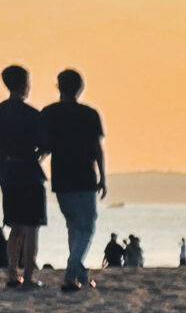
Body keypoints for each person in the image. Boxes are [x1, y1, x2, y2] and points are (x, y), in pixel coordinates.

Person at [40, 69, 107, 292]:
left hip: (61, 177)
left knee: (73, 226)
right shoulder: (89, 114)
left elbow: (44, 146)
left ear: (59, 87)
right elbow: (97, 149)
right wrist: (103, 177)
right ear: (80, 88)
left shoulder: (49, 113)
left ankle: (74, 278)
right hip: (85, 177)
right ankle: (73, 268)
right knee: (86, 226)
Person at [0, 66, 48, 289]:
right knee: (31, 227)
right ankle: (28, 275)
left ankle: (11, 272)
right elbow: (45, 144)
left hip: (9, 174)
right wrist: (38, 154)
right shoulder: (32, 114)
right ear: (24, 85)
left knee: (15, 226)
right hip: (29, 172)